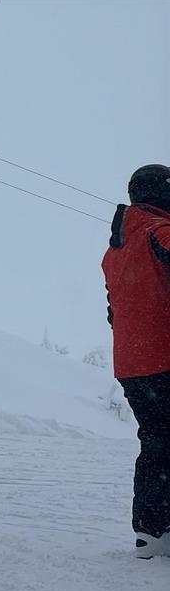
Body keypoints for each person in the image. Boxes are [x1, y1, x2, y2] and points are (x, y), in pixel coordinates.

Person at [102, 163, 170, 559]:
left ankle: (152, 529)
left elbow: (114, 310)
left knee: (157, 442)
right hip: (164, 357)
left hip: (133, 365)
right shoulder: (160, 233)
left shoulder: (116, 250)